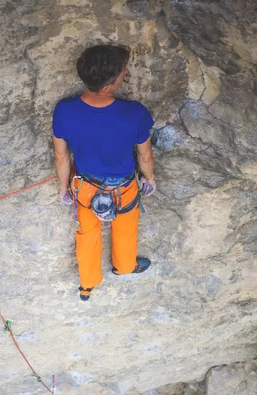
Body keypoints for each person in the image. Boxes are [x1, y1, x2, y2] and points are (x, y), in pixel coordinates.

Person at [52, 44, 156, 301]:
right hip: (124, 188)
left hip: (86, 188)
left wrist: (64, 187)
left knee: (86, 234)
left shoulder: (65, 110)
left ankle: (87, 284)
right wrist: (149, 178)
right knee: (126, 228)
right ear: (109, 85)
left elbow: (61, 155)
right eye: (123, 71)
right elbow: (144, 155)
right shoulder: (134, 113)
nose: (126, 72)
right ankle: (124, 266)